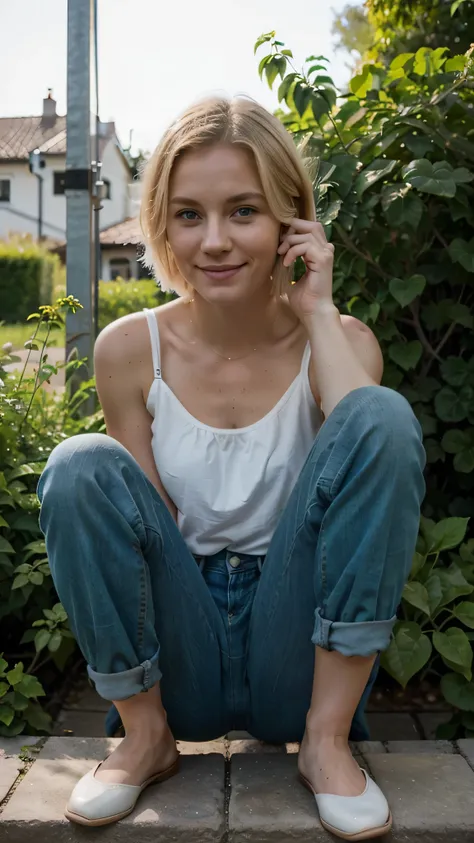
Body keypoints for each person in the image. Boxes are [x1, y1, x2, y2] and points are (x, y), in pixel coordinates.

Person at [37, 95, 426, 839]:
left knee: (380, 412)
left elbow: (370, 450)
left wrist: (316, 311)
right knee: (80, 464)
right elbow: (142, 528)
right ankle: (145, 738)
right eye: (189, 215)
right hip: (184, 653)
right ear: (163, 223)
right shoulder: (128, 348)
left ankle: (325, 741)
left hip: (299, 652)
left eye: (242, 211)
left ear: (290, 219)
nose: (214, 240)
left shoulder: (341, 340)